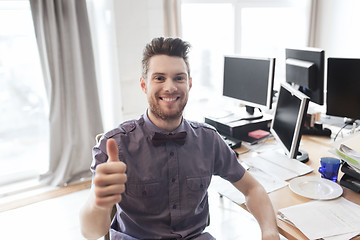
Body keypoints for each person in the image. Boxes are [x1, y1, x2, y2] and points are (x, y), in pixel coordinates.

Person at [80, 37, 280, 240]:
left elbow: (252, 188)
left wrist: (270, 231)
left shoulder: (208, 140)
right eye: (159, 78)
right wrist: (99, 201)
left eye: (179, 78)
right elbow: (91, 233)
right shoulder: (116, 145)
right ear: (144, 85)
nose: (170, 87)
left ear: (189, 84)